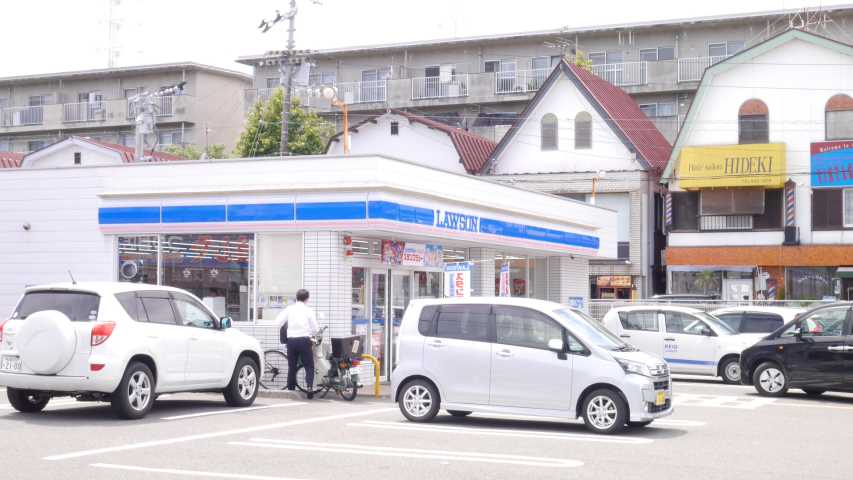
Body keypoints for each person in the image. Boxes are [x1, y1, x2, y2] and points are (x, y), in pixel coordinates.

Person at [276, 289, 319, 399]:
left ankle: (291, 389)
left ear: (296, 297)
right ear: (307, 299)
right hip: (304, 340)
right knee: (309, 365)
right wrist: (311, 334)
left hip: (291, 341)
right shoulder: (308, 310)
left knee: (292, 366)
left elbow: (278, 322)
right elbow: (315, 328)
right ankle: (309, 387)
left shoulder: (289, 309)